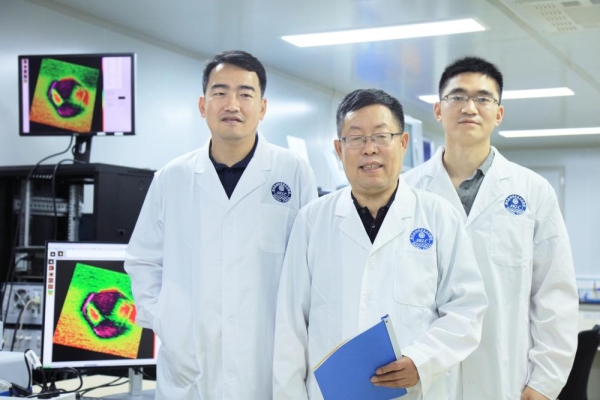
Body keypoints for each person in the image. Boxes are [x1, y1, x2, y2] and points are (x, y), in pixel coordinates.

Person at [125, 50, 318, 399]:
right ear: (203, 105)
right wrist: (166, 320)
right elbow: (143, 261)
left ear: (262, 108)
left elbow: (312, 263)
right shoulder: (172, 177)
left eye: (245, 94)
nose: (232, 104)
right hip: (190, 366)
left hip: (269, 362)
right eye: (220, 92)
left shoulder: (293, 171)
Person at [272, 88, 488, 400]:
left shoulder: (439, 217)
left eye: (381, 136)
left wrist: (420, 361)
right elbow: (290, 326)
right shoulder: (312, 221)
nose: (369, 149)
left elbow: (466, 310)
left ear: (403, 143)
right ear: (339, 149)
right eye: (356, 138)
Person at [403, 56, 578, 400]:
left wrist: (545, 381)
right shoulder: (406, 192)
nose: (469, 107)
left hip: (505, 379)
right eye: (457, 96)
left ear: (498, 114)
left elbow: (554, 293)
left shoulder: (533, 191)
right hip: (427, 378)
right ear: (438, 110)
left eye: (483, 98)